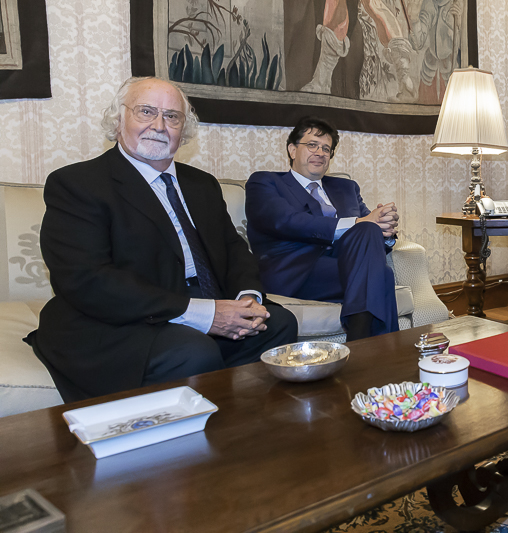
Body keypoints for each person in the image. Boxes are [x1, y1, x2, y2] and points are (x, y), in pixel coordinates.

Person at [25, 77, 298, 402]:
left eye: (172, 116)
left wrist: (247, 297)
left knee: (278, 322)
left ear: (184, 130)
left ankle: (240, 420)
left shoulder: (203, 185)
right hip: (123, 316)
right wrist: (203, 315)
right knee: (194, 351)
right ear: (118, 119)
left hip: (202, 301)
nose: (159, 125)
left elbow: (233, 248)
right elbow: (87, 279)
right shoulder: (77, 184)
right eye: (146, 111)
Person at [245, 116, 399, 341]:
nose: (320, 153)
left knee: (370, 240)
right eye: (312, 145)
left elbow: (367, 233)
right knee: (381, 274)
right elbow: (285, 221)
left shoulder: (346, 187)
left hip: (346, 266)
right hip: (297, 271)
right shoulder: (265, 183)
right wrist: (361, 222)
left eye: (326, 149)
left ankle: (360, 346)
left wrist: (385, 229)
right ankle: (377, 349)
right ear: (292, 150)